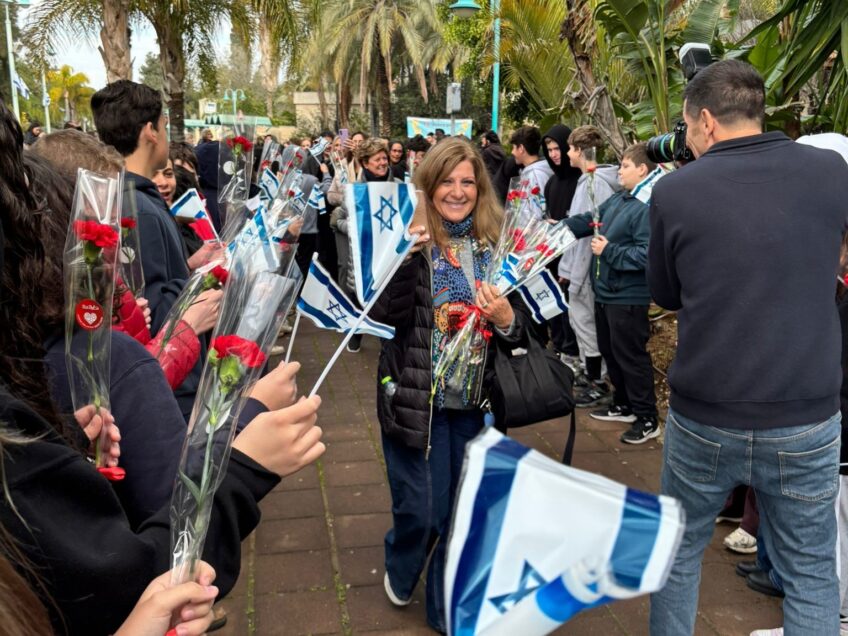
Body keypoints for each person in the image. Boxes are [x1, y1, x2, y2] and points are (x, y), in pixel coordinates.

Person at [647, 60, 848, 635]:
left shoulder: (675, 191)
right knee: (811, 572)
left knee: (677, 557)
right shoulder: (831, 171)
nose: (687, 139)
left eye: (687, 127)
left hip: (705, 415)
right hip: (806, 413)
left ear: (707, 120)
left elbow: (665, 293)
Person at [370, 137, 530, 633]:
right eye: (447, 181)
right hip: (418, 400)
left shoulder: (497, 245)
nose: (458, 192)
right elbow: (382, 315)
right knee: (424, 511)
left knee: (462, 515)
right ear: (429, 185)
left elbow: (526, 327)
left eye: (468, 182)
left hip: (477, 405)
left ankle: (445, 611)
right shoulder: (409, 238)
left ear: (480, 188)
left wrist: (507, 320)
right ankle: (403, 561)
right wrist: (403, 256)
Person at [562, 143, 659, 443]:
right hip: (605, 292)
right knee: (611, 352)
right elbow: (591, 219)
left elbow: (646, 254)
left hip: (628, 296)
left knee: (631, 356)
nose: (619, 171)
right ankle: (624, 403)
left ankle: (647, 417)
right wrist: (558, 228)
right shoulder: (619, 199)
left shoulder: (645, 206)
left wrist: (609, 251)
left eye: (625, 166)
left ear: (642, 169)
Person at [559, 126, 620, 406]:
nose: (567, 154)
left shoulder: (593, 183)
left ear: (579, 151)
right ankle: (592, 373)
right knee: (583, 323)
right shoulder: (593, 181)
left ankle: (598, 381)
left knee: (586, 325)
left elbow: (589, 229)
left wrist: (574, 273)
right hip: (585, 267)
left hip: (586, 268)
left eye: (569, 148)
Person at [327, 138, 397, 353]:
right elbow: (339, 221)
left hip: (388, 258)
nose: (383, 163)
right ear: (365, 163)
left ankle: (389, 344)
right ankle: (355, 334)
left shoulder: (399, 188)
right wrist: (353, 228)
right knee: (359, 302)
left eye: (384, 158)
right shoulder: (354, 191)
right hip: (363, 259)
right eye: (377, 159)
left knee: (389, 303)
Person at [540, 123, 582, 361]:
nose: (554, 154)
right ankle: (558, 347)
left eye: (558, 149)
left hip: (574, 255)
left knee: (572, 309)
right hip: (552, 255)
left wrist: (563, 224)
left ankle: (572, 353)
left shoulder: (581, 180)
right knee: (555, 306)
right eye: (550, 150)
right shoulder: (551, 182)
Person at [509, 125, 553, 203]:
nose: (512, 152)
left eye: (514, 147)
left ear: (521, 148)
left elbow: (540, 206)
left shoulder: (536, 175)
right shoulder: (535, 172)